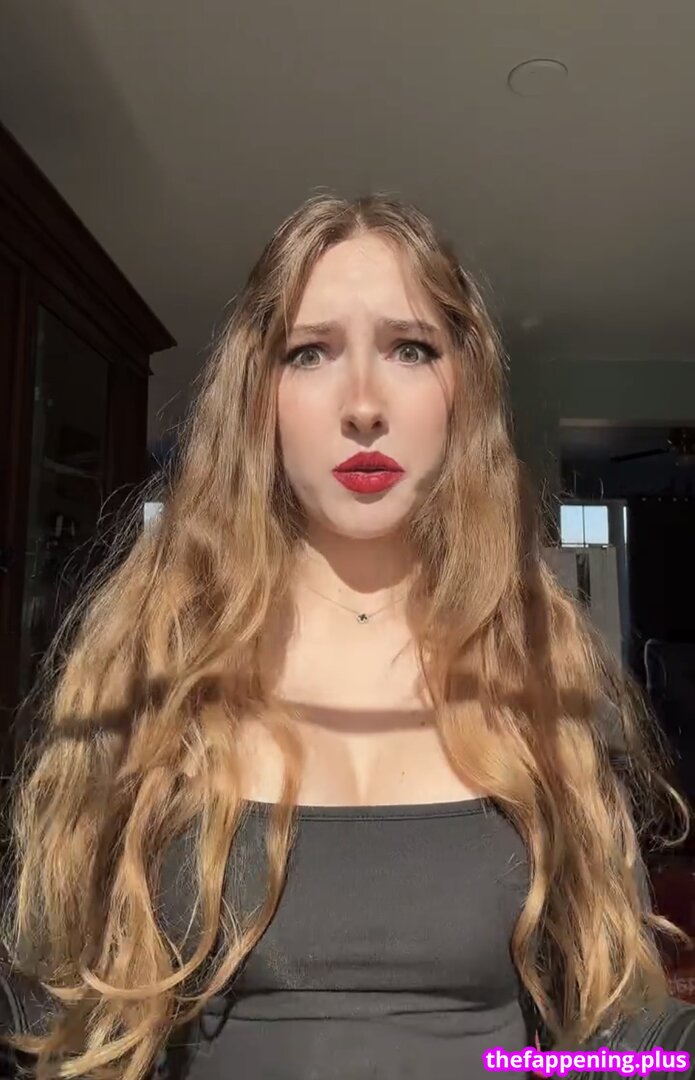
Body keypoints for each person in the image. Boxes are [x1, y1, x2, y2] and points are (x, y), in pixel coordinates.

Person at [0, 193, 688, 1080]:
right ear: (258, 396)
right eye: (310, 352)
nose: (363, 404)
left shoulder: (535, 666)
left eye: (409, 349)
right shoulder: (153, 659)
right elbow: (53, 1014)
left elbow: (615, 1033)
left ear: (461, 392)